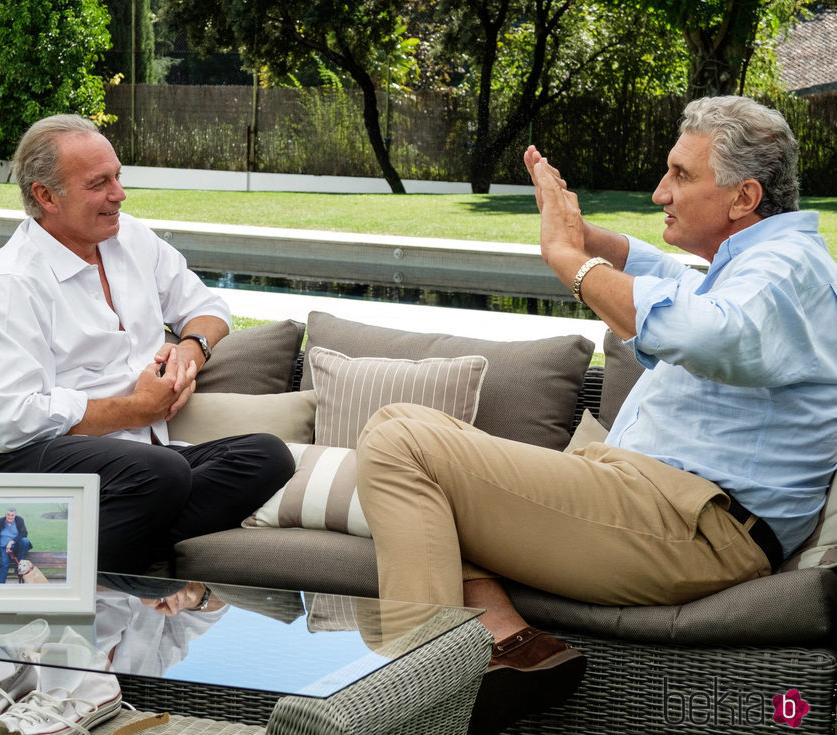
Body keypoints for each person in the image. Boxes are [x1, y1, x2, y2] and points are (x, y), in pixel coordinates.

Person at [355, 95, 837, 734]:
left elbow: (699, 333)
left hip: (697, 526)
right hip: (658, 508)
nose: (661, 191)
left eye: (682, 176)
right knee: (408, 447)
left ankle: (417, 705)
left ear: (744, 197)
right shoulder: (754, 267)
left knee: (402, 444)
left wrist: (569, 260)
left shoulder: (785, 271)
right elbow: (666, 276)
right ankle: (508, 645)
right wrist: (579, 232)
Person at [0, 114, 295, 575]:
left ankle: (109, 557)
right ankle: (121, 558)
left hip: (131, 463)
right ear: (45, 196)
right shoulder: (11, 283)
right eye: (98, 183)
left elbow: (208, 307)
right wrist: (140, 408)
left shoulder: (129, 237)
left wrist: (192, 349)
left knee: (266, 456)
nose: (119, 194)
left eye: (118, 176)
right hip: (13, 459)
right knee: (161, 473)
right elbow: (15, 423)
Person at [0, 507, 32, 584]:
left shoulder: (19, 520)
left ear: (15, 515)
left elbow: (24, 533)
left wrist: (12, 542)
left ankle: (18, 563)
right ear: (5, 514)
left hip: (16, 546)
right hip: (3, 547)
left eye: (12, 515)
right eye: (8, 515)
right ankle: (0, 585)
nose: (10, 517)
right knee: (4, 563)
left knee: (25, 541)